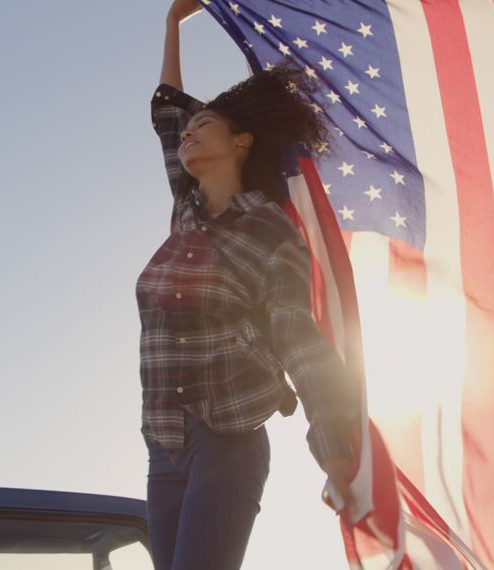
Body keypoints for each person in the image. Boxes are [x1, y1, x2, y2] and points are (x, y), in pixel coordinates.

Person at [136, 1, 359, 568]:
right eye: (187, 131)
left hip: (227, 440)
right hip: (164, 445)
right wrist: (172, 24)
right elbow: (166, 112)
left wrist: (333, 448)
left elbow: (295, 333)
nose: (187, 133)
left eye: (204, 125)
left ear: (242, 142)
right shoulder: (185, 210)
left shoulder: (267, 225)